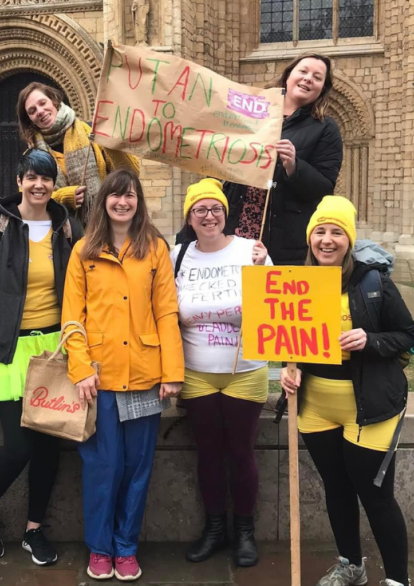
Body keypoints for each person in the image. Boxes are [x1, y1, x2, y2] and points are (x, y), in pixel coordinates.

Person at [280, 196, 414, 586]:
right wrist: (289, 374)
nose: (327, 240)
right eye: (320, 231)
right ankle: (350, 565)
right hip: (316, 406)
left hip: (369, 405)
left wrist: (369, 340)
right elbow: (290, 344)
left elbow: (406, 335)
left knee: (375, 495)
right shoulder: (297, 284)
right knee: (337, 489)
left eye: (336, 232)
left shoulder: (374, 281)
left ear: (349, 239)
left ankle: (397, 580)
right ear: (310, 239)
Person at [62, 170, 184, 581]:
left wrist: (172, 372)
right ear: (104, 202)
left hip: (145, 377)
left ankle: (126, 547)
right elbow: (71, 320)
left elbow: (167, 311)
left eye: (130, 196)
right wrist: (79, 369)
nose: (123, 203)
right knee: (102, 467)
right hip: (99, 381)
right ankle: (100, 547)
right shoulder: (83, 252)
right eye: (115, 196)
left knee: (137, 468)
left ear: (138, 202)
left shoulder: (154, 250)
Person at [0, 149, 82, 564]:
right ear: (18, 181)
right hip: (9, 350)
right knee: (18, 447)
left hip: (54, 348)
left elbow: (87, 279)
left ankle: (34, 530)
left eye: (46, 178)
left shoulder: (66, 225)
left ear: (54, 185)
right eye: (31, 177)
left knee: (50, 448)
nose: (38, 184)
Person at [170, 178, 270, 568]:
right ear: (190, 218)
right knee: (209, 454)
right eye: (200, 210)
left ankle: (245, 531)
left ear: (225, 215)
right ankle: (214, 529)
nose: (209, 216)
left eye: (215, 209)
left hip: (245, 370)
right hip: (197, 373)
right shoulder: (177, 255)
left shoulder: (253, 250)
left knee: (241, 453)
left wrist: (262, 273)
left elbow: (275, 312)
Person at [223, 53, 343, 265]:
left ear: (322, 89)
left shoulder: (325, 127)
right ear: (288, 75)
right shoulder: (253, 111)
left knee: (269, 295)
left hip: (284, 235)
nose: (308, 79)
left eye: (317, 77)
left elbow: (325, 187)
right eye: (303, 71)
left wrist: (294, 167)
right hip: (237, 220)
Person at [16, 82, 140, 226]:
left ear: (54, 102)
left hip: (105, 228)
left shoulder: (90, 132)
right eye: (32, 111)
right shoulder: (32, 155)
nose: (40, 111)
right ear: (29, 119)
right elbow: (26, 198)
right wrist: (63, 197)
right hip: (59, 235)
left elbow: (132, 172)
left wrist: (110, 139)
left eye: (43, 103)